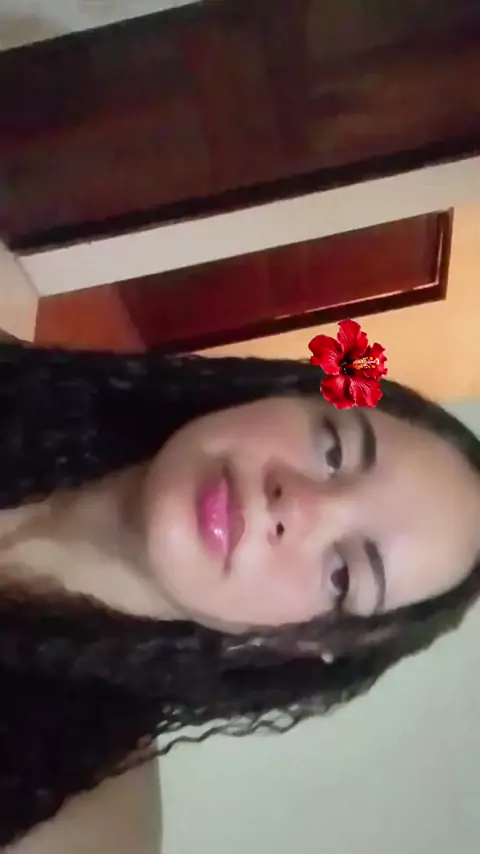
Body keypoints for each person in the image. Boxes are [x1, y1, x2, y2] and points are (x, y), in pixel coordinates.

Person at [1, 340, 479, 849]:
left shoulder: (71, 822)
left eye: (343, 573)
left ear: (301, 644)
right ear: (285, 395)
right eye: (334, 451)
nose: (299, 506)